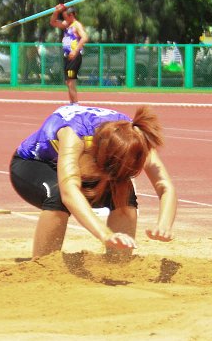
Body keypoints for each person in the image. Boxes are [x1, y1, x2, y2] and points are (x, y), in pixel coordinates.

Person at [10, 104, 176, 259]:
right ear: (97, 154)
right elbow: (69, 191)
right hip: (33, 164)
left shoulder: (136, 139)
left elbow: (164, 185)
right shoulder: (74, 134)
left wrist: (164, 224)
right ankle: (43, 264)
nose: (111, 179)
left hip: (90, 161)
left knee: (125, 195)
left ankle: (119, 262)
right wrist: (105, 234)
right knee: (58, 195)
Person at [50, 4, 88, 104]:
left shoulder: (77, 25)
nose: (65, 19)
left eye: (66, 17)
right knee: (68, 81)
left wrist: (75, 51)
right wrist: (56, 11)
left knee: (71, 81)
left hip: (74, 57)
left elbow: (84, 37)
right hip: (67, 57)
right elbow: (53, 22)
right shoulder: (67, 25)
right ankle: (72, 103)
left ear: (71, 15)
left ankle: (75, 104)